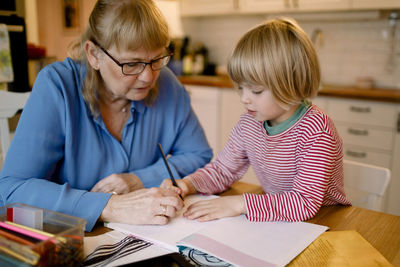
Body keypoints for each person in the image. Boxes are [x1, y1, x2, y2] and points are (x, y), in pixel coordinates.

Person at [0, 0, 213, 232]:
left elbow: (198, 153)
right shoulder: (57, 86)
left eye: (157, 59)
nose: (148, 77)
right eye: (131, 64)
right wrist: (111, 206)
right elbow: (12, 190)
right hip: (68, 243)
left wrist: (138, 179)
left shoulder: (167, 84)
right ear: (93, 55)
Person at [162, 18, 351, 223]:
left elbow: (304, 202)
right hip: (280, 221)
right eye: (241, 88)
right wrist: (188, 184)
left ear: (291, 82)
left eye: (256, 90)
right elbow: (223, 170)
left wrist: (239, 203)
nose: (244, 98)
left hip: (323, 221)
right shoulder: (249, 124)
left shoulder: (316, 130)